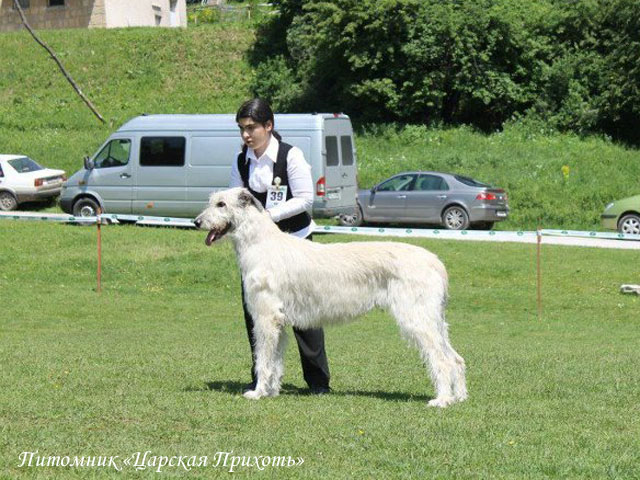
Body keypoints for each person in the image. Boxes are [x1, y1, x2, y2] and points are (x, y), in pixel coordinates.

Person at [229, 98, 331, 395]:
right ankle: (263, 377)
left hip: (296, 244)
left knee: (305, 315)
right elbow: (237, 200)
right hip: (259, 250)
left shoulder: (291, 155)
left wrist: (267, 216)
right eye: (242, 129)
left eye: (251, 128)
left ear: (268, 126)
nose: (246, 135)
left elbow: (304, 198)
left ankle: (318, 382)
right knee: (258, 314)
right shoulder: (241, 160)